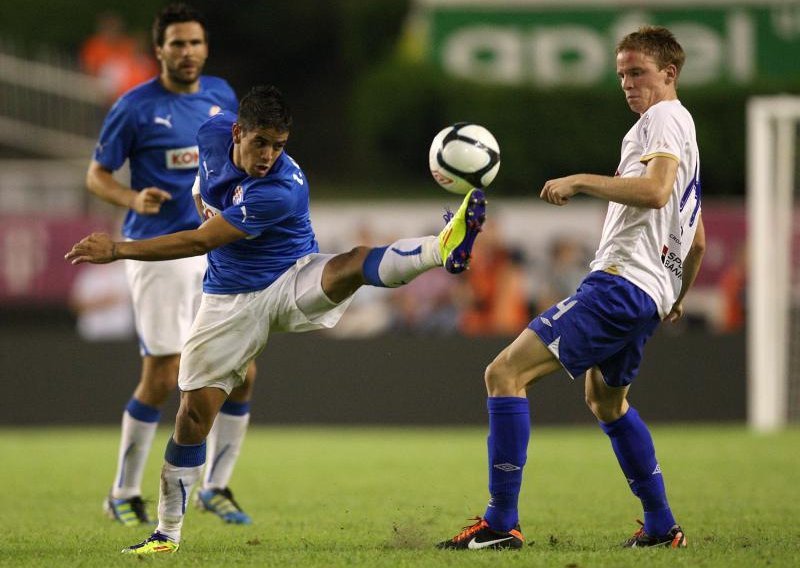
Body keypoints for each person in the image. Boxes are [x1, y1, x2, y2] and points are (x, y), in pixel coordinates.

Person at [66, 84, 487, 554]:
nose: (269, 155)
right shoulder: (208, 134)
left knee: (352, 263)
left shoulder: (280, 189)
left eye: (279, 145)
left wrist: (118, 249)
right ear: (237, 132)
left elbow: (199, 242)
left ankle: (440, 247)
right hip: (229, 301)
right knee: (192, 416)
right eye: (260, 143)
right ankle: (167, 535)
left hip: (290, 281)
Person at [437, 25, 705, 551]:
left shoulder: (664, 119)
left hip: (620, 283)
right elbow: (697, 242)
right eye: (622, 74)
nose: (628, 83)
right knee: (606, 402)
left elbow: (654, 193)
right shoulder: (685, 137)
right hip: (649, 294)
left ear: (669, 74)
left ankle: (500, 523)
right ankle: (660, 526)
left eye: (638, 72)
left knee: (504, 373)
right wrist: (676, 297)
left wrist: (579, 181)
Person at [85, 3, 255, 527]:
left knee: (243, 371)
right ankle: (122, 492)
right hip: (155, 251)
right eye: (177, 44)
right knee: (162, 375)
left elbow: (232, 160)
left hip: (209, 247)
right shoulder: (134, 107)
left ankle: (217, 487)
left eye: (195, 43)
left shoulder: (221, 96)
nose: (187, 53)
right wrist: (132, 199)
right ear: (158, 50)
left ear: (206, 48)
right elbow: (96, 175)